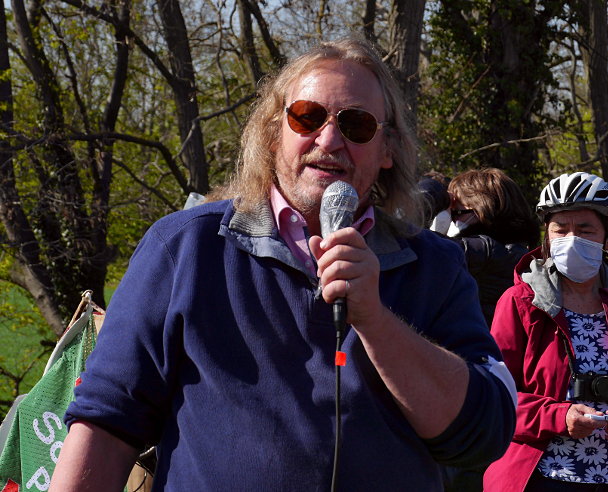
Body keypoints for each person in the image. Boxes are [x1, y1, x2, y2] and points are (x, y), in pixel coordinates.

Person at [50, 37, 517, 492]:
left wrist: (374, 319)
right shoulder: (185, 248)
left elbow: (484, 432)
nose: (330, 139)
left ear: (387, 149)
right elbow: (105, 423)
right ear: (274, 134)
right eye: (307, 117)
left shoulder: (435, 265)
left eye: (356, 125)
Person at [484, 172, 608, 491]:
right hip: (541, 476)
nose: (571, 238)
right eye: (560, 229)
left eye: (585, 229)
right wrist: (559, 416)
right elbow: (497, 395)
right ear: (547, 237)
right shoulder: (520, 303)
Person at [446, 167, 539, 325]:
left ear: (482, 210)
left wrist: (431, 197)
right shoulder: (520, 252)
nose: (452, 220)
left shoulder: (483, 250)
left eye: (457, 213)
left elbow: (417, 247)